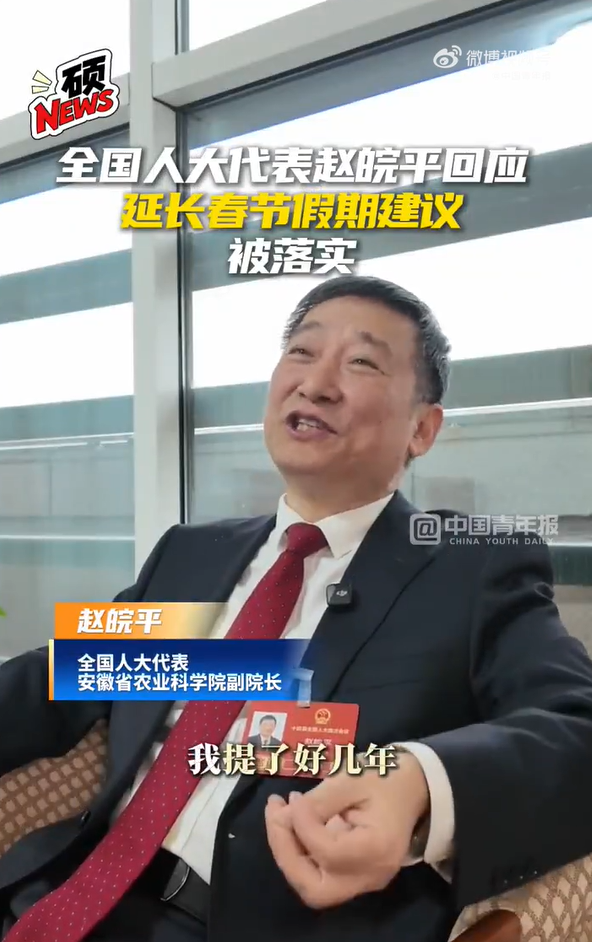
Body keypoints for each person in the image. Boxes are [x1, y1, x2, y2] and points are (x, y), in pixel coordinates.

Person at [1, 274, 592, 942]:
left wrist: (420, 782)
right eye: (302, 352)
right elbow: (68, 676)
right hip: (68, 890)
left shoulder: (470, 569)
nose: (316, 383)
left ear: (423, 429)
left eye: (361, 362)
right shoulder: (190, 554)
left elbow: (577, 728)